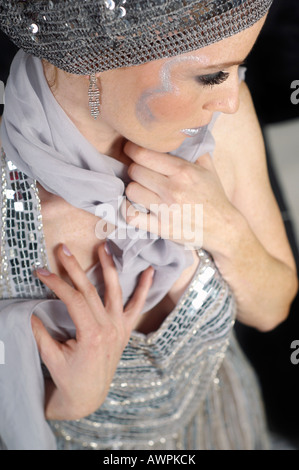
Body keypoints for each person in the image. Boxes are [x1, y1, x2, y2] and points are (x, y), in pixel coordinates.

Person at [0, 0, 297, 451]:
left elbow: (273, 309)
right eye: (213, 75)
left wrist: (224, 228)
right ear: (96, 58)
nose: (231, 99)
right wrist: (64, 402)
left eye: (236, 70)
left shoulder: (224, 124)